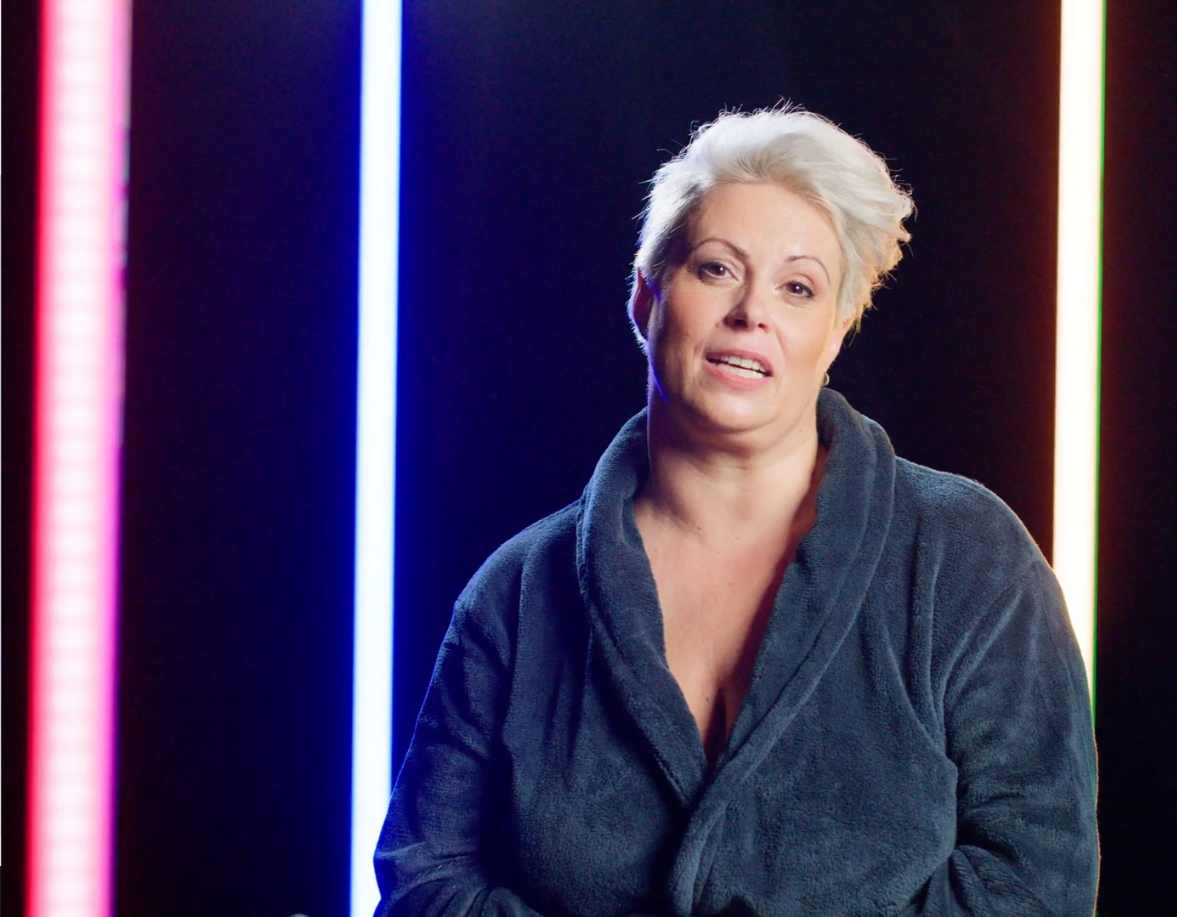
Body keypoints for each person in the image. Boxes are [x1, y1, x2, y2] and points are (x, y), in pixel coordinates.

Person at [374, 105, 1099, 915]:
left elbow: (1036, 876)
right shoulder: (518, 591)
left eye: (798, 287)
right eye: (716, 268)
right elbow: (424, 871)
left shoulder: (965, 555)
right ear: (646, 296)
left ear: (834, 332)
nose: (753, 310)